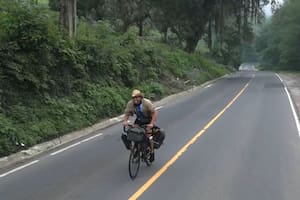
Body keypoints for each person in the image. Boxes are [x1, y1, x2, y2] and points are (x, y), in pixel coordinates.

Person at [123, 89, 158, 162]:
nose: (135, 99)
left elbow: (154, 113)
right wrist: (125, 121)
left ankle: (152, 152)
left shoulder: (146, 103)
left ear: (140, 97)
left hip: (148, 119)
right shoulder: (130, 104)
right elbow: (127, 113)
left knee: (149, 135)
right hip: (139, 120)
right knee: (133, 132)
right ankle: (136, 149)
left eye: (137, 97)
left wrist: (151, 124)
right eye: (134, 97)